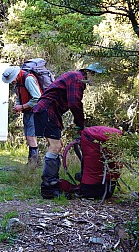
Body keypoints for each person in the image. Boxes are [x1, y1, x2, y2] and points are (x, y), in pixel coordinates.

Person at [32, 62, 106, 199]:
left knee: (56, 145)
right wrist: (80, 123)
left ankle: (53, 183)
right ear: (89, 73)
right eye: (96, 76)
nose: (96, 80)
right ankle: (49, 187)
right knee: (55, 147)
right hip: (47, 110)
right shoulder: (77, 79)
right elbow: (75, 103)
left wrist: (79, 124)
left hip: (45, 111)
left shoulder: (75, 77)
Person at [2, 65, 42, 166]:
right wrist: (18, 106)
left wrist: (22, 106)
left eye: (11, 80)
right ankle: (36, 162)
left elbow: (37, 98)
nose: (11, 82)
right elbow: (20, 95)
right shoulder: (18, 82)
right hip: (27, 111)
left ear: (15, 76)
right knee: (29, 137)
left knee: (31, 137)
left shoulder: (28, 79)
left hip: (35, 111)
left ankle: (32, 164)